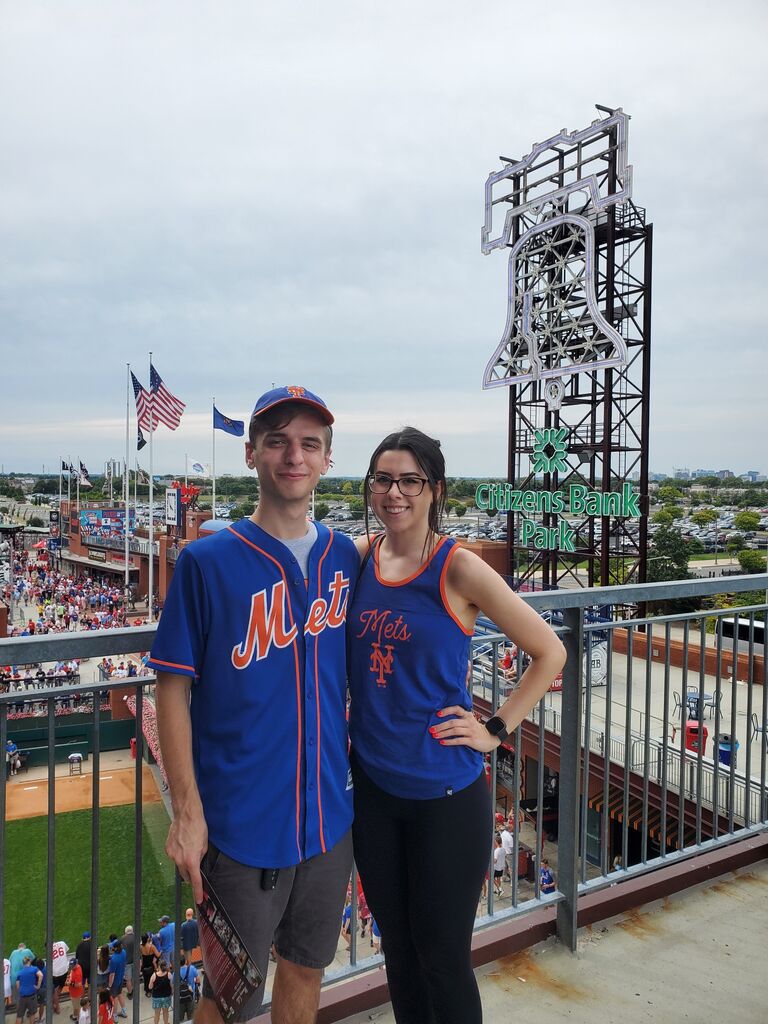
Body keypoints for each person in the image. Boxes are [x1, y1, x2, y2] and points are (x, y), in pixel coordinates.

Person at [150, 385, 359, 1024]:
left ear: (326, 459)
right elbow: (171, 688)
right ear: (251, 455)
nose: (293, 455)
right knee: (229, 997)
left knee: (305, 969)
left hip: (327, 818)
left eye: (308, 443)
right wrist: (187, 814)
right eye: (277, 441)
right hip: (240, 828)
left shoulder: (344, 555)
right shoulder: (206, 561)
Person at [347, 426, 566, 1024]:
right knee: (399, 954)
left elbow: (549, 651)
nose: (395, 493)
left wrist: (495, 728)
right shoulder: (362, 558)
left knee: (442, 957)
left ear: (435, 489)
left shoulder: (458, 567)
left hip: (445, 793)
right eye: (383, 480)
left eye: (410, 481)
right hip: (374, 791)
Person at [14, 956, 42, 1024]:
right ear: (29, 962)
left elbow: (17, 985)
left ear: (23, 963)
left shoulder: (19, 972)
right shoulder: (34, 969)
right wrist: (38, 986)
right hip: (31, 996)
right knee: (32, 1014)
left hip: (22, 996)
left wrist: (21, 990)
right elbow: (41, 975)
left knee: (19, 1015)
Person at [107, 941, 127, 1018]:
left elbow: (112, 974)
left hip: (115, 982)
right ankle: (124, 1012)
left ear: (115, 948)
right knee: (120, 993)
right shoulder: (124, 952)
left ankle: (115, 1016)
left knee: (114, 997)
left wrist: (109, 985)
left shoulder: (114, 960)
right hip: (121, 978)